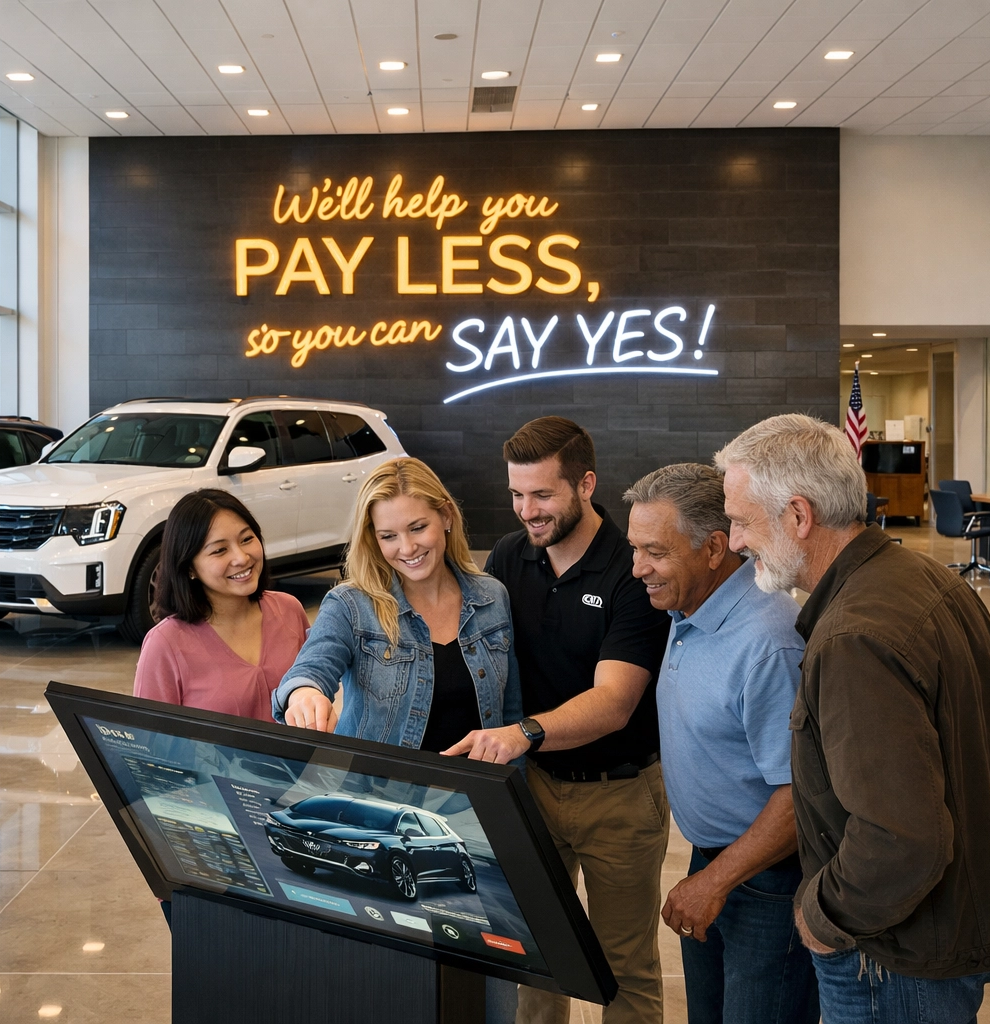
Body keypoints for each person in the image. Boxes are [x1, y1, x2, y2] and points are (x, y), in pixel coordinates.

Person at [714, 414, 990, 1024]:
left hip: (896, 954)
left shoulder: (853, 637)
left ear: (797, 515)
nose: (734, 541)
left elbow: (901, 841)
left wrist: (822, 917)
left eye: (740, 520)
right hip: (953, 925)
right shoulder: (924, 577)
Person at [447, 417, 673, 1024]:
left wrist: (521, 732)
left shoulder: (633, 572)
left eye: (543, 494)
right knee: (533, 957)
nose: (528, 510)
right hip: (533, 789)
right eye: (517, 494)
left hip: (619, 796)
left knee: (622, 970)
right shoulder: (507, 557)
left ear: (585, 484)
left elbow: (614, 702)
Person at [624, 463, 817, 1024]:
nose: (638, 569)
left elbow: (797, 796)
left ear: (714, 548)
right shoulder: (689, 608)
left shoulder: (767, 642)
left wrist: (715, 880)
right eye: (635, 550)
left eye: (654, 552)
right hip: (718, 865)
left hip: (765, 883)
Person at [272, 457, 521, 752]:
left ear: (446, 516)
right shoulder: (350, 605)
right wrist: (304, 695)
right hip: (381, 792)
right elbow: (310, 668)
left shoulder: (492, 597)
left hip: (475, 793)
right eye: (389, 536)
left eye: (417, 528)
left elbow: (510, 716)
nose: (407, 548)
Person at [133, 489, 310, 719]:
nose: (241, 558)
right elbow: (149, 740)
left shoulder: (289, 610)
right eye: (219, 550)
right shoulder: (165, 644)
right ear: (189, 567)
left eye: (247, 539)